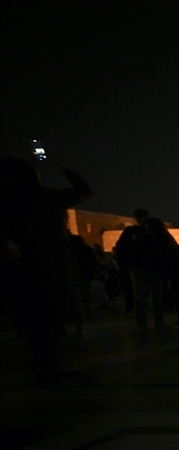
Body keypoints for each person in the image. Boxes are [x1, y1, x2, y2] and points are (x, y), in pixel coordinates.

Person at [0, 155, 92, 380]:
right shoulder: (46, 198)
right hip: (49, 265)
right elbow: (83, 190)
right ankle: (48, 366)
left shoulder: (6, 200)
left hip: (19, 267)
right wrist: (60, 165)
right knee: (48, 317)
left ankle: (42, 363)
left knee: (32, 318)